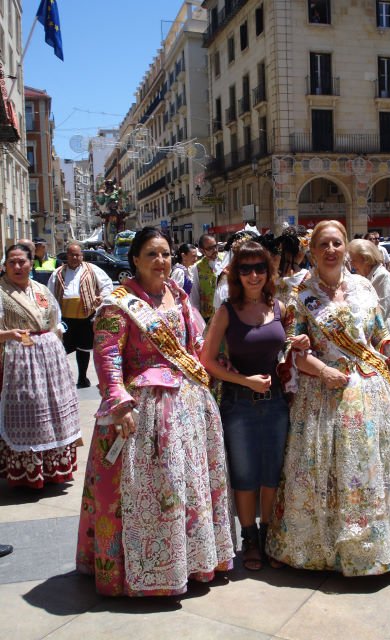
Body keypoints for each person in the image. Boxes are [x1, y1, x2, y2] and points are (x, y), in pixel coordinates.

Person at [266, 220, 390, 576]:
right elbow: (292, 347)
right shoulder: (300, 294)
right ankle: (322, 549)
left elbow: (378, 335)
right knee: (327, 468)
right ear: (311, 251)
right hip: (323, 392)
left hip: (371, 391)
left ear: (346, 248)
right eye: (323, 244)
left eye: (337, 243)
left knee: (374, 465)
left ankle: (383, 546)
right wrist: (321, 369)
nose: (331, 250)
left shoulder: (363, 287)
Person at [76, 227, 233, 597]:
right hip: (143, 411)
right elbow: (107, 356)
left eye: (165, 254)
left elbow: (195, 345)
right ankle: (146, 569)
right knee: (149, 490)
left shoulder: (179, 297)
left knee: (187, 484)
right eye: (152, 254)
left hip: (187, 406)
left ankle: (191, 561)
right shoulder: (117, 303)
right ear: (135, 260)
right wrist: (118, 402)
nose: (161, 261)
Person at [201, 239, 309, 571]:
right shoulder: (227, 310)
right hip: (238, 403)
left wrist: (297, 342)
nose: (253, 275)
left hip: (276, 401)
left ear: (268, 271)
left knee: (272, 473)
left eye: (259, 268)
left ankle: (268, 535)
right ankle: (249, 539)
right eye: (245, 269)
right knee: (246, 474)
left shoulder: (277, 307)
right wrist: (245, 381)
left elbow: (285, 343)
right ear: (236, 274)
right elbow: (207, 360)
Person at [0, 243, 80, 489]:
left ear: (30, 263)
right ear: (4, 266)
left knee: (54, 410)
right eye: (11, 262)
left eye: (21, 261)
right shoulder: (1, 292)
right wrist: (8, 335)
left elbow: (56, 322)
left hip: (48, 360)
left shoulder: (41, 289)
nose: (17, 266)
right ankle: (26, 472)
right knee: (30, 411)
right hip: (16, 362)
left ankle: (53, 469)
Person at [48, 242, 113, 388]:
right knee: (61, 348)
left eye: (77, 255)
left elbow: (107, 285)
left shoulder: (92, 269)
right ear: (67, 256)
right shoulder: (58, 273)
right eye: (71, 254)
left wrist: (102, 297)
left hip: (86, 317)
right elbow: (50, 293)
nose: (74, 257)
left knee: (83, 348)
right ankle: (61, 380)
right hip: (65, 319)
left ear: (82, 256)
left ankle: (82, 379)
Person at [348, 238, 390, 373]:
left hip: (388, 333)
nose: (351, 264)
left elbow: (380, 311)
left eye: (354, 260)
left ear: (365, 258)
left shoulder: (381, 276)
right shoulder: (367, 276)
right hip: (377, 336)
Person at [190, 233, 225, 324]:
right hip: (208, 317)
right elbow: (194, 295)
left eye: (215, 246)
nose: (215, 250)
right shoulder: (197, 268)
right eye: (210, 248)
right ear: (202, 251)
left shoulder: (226, 259)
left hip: (227, 312)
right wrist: (197, 320)